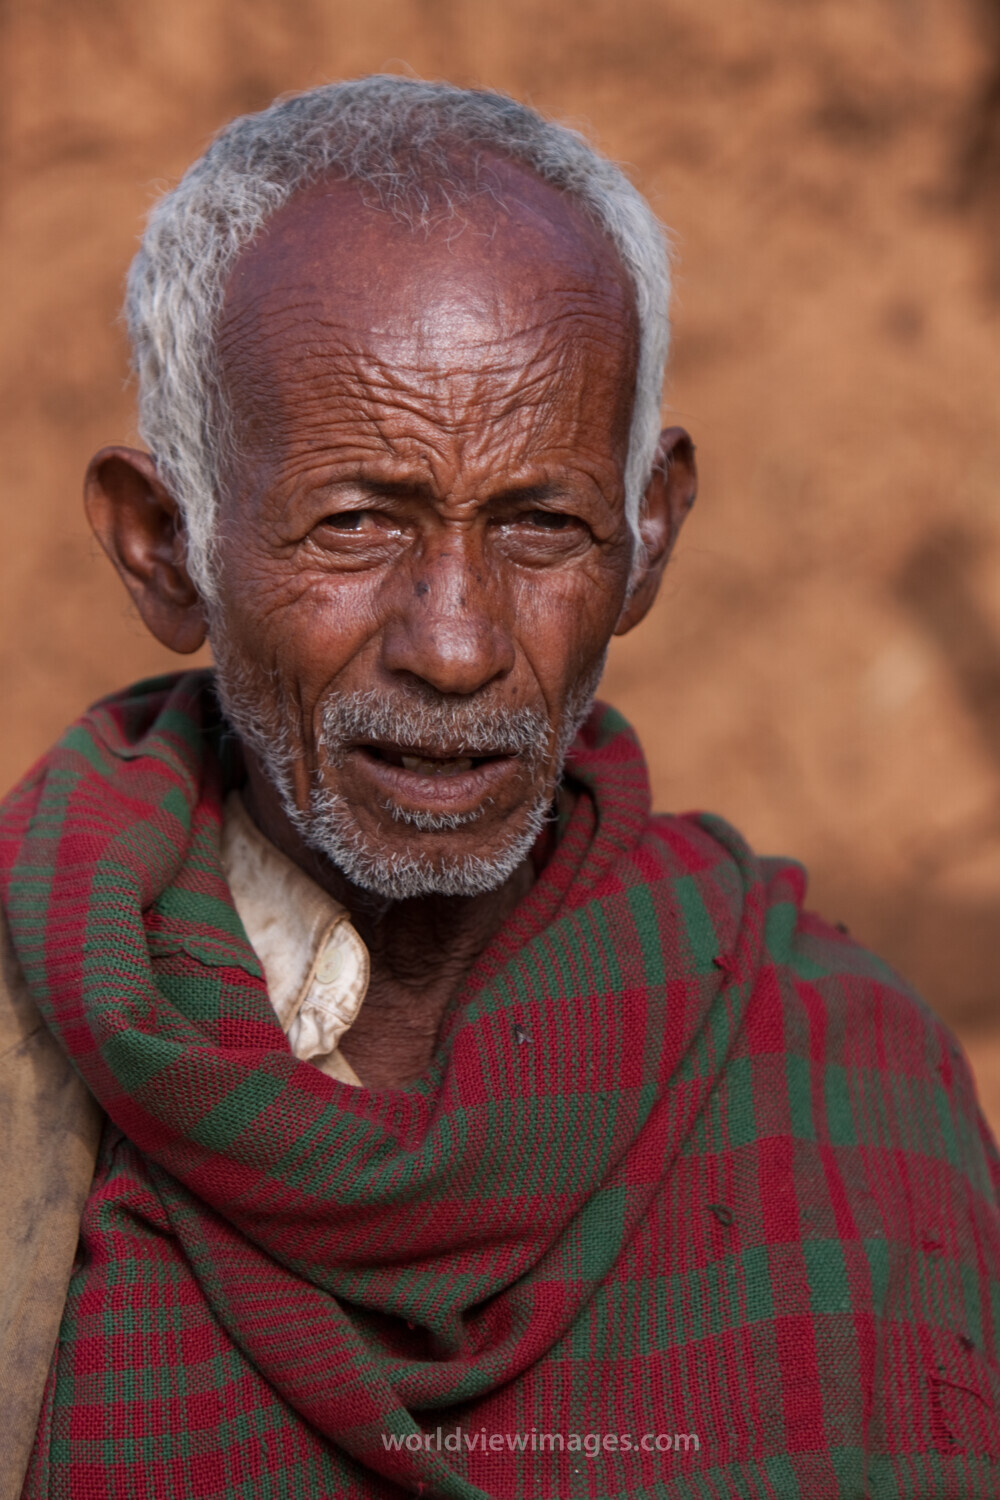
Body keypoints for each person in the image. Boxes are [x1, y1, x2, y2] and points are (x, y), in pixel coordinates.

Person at [1, 76, 998, 1500]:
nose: (458, 643)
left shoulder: (856, 1084)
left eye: (543, 525)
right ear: (166, 547)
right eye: (354, 525)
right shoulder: (28, 1080)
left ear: (647, 542)